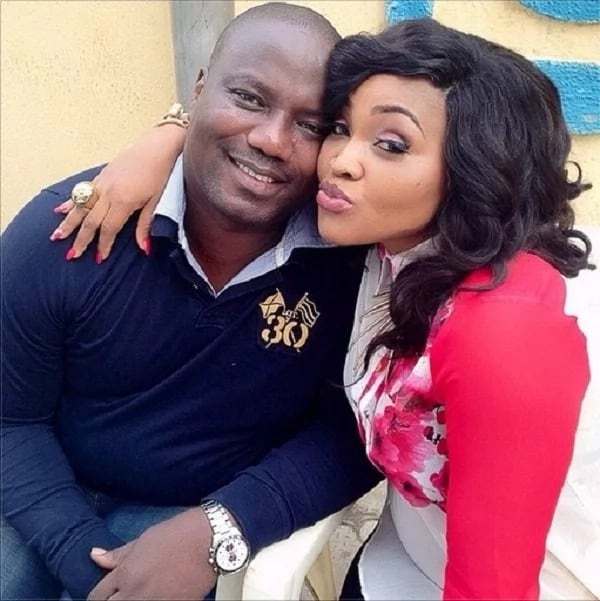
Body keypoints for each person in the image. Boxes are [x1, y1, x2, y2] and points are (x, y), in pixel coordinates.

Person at [54, 17, 599, 601]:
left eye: (391, 144)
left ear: (474, 169)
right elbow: (244, 157)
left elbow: (496, 587)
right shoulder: (383, 246)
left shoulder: (504, 331)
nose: (339, 160)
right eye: (340, 129)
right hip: (398, 567)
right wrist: (167, 139)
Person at [0, 4, 382, 600]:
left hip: (199, 512)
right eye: (249, 98)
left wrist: (225, 526)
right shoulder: (66, 231)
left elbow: (356, 431)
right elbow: (11, 419)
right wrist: (85, 565)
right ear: (198, 89)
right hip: (44, 487)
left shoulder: (351, 266)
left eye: (310, 125)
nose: (271, 140)